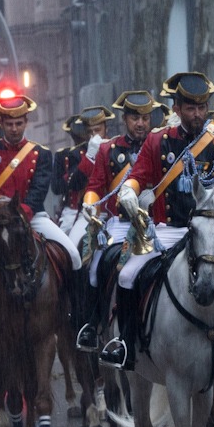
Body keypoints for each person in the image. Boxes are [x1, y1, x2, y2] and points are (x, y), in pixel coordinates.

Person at [100, 70, 214, 372]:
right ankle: (127, 345)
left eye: (202, 107)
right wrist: (129, 192)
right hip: (170, 232)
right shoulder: (157, 141)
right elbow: (137, 178)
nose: (197, 114)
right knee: (126, 276)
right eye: (190, 108)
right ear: (176, 108)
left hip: (213, 233)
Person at [0, 91, 80, 347]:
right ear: (1, 124)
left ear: (26, 122)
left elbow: (37, 194)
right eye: (9, 124)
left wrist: (20, 218)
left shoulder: (41, 154)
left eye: (19, 123)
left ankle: (75, 316)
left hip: (31, 217)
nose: (14, 129)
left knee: (73, 254)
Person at [74, 89, 159, 352]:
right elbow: (96, 185)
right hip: (120, 225)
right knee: (95, 267)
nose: (141, 123)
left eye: (145, 117)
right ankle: (92, 324)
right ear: (125, 119)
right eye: (135, 118)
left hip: (154, 224)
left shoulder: (159, 144)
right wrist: (90, 204)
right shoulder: (108, 149)